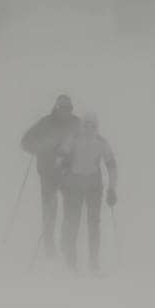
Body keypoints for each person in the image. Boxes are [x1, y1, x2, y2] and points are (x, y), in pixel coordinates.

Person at [57, 112, 118, 274]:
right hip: (75, 185)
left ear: (96, 127)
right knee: (73, 222)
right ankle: (71, 262)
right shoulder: (74, 138)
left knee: (93, 224)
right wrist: (63, 164)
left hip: (93, 186)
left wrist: (112, 188)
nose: (89, 128)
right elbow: (61, 155)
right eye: (86, 125)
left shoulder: (101, 142)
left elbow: (111, 165)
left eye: (93, 126)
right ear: (82, 125)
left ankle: (93, 261)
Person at [21, 94, 79, 258]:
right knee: (49, 211)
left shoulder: (76, 123)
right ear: (56, 108)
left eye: (68, 108)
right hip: (48, 173)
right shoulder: (45, 123)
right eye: (62, 108)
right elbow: (25, 141)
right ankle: (49, 247)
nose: (65, 111)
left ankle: (66, 244)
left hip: (69, 173)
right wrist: (41, 147)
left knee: (70, 210)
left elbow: (87, 141)